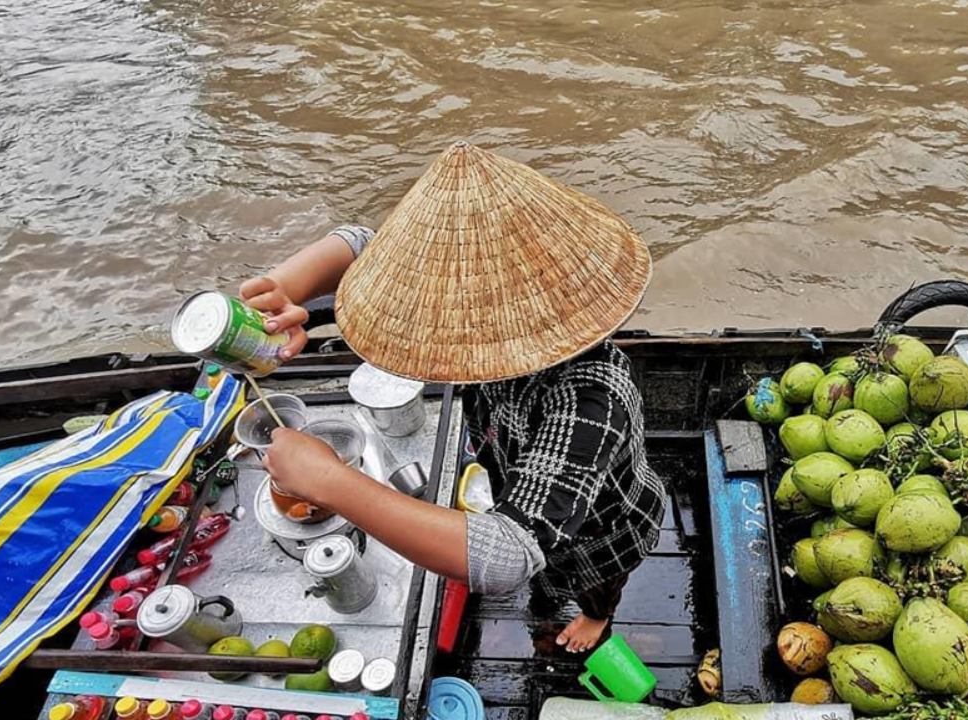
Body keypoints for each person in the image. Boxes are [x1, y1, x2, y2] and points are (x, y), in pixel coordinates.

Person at [251, 143, 666, 652]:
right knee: (545, 580)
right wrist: (288, 289)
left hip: (603, 529)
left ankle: (597, 618)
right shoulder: (478, 310)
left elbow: (509, 553)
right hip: (518, 475)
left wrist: (329, 481)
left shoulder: (591, 398)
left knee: (594, 583)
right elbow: (360, 246)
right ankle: (557, 599)